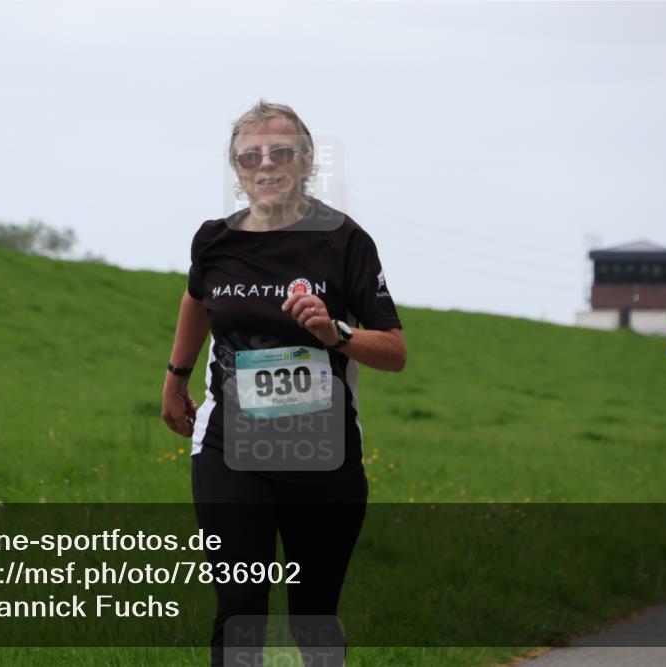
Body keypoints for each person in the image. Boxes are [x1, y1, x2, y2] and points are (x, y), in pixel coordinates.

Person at [161, 100, 406, 666]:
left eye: (281, 153)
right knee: (240, 613)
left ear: (307, 161)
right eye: (250, 156)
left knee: (313, 616)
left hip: (323, 457)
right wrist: (176, 375)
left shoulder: (345, 241)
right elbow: (198, 297)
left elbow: (393, 351)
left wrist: (336, 332)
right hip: (230, 449)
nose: (265, 165)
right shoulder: (214, 240)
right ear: (237, 168)